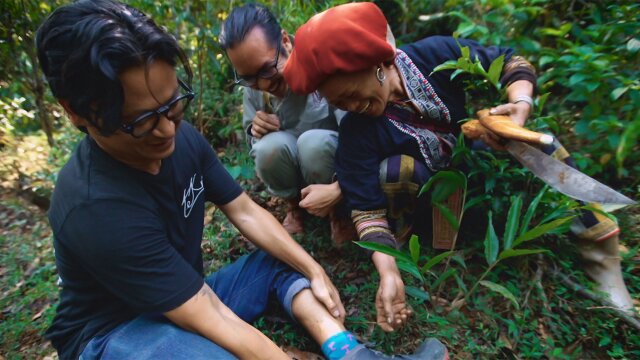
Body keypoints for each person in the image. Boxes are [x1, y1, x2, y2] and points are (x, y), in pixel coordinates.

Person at [36, 1, 448, 359]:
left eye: (173, 106)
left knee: (280, 264)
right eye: (142, 121)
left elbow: (244, 209)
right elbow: (208, 313)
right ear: (78, 111)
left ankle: (353, 355)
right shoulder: (95, 206)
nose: (166, 130)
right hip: (116, 331)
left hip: (185, 294)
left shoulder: (181, 139)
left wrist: (314, 269)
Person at [282, 1, 636, 330]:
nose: (351, 105)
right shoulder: (357, 130)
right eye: (339, 102)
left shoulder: (435, 55)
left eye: (351, 94)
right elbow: (366, 210)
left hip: (481, 177)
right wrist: (389, 271)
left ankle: (598, 249)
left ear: (377, 64)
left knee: (544, 146)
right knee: (395, 170)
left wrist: (519, 105)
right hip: (431, 204)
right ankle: (419, 251)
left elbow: (510, 62)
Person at [219, 3, 354, 243]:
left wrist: (341, 187)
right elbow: (252, 140)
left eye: (267, 70)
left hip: (335, 166)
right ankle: (295, 207)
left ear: (285, 41)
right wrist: (256, 130)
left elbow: (358, 130)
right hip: (293, 168)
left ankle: (339, 213)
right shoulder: (255, 86)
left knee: (313, 143)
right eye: (249, 78)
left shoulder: (319, 63)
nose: (262, 84)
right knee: (266, 148)